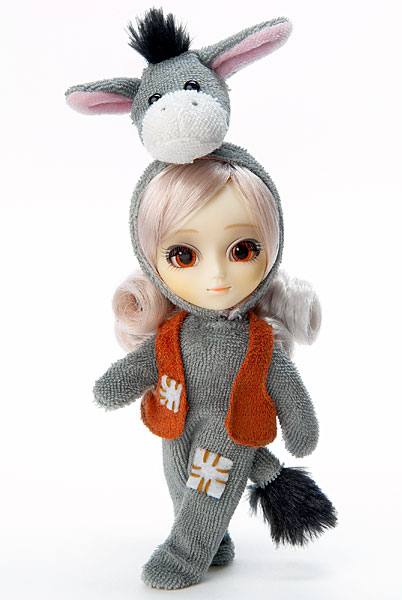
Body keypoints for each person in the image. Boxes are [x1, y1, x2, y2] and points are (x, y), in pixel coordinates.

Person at [94, 147, 336, 590]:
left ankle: (185, 555)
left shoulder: (258, 340)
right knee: (180, 482)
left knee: (210, 486)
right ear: (150, 260)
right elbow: (146, 363)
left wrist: (300, 426)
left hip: (230, 427)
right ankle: (215, 540)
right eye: (184, 256)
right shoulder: (174, 331)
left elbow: (285, 383)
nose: (218, 276)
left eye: (242, 250)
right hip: (176, 419)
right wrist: (117, 384)